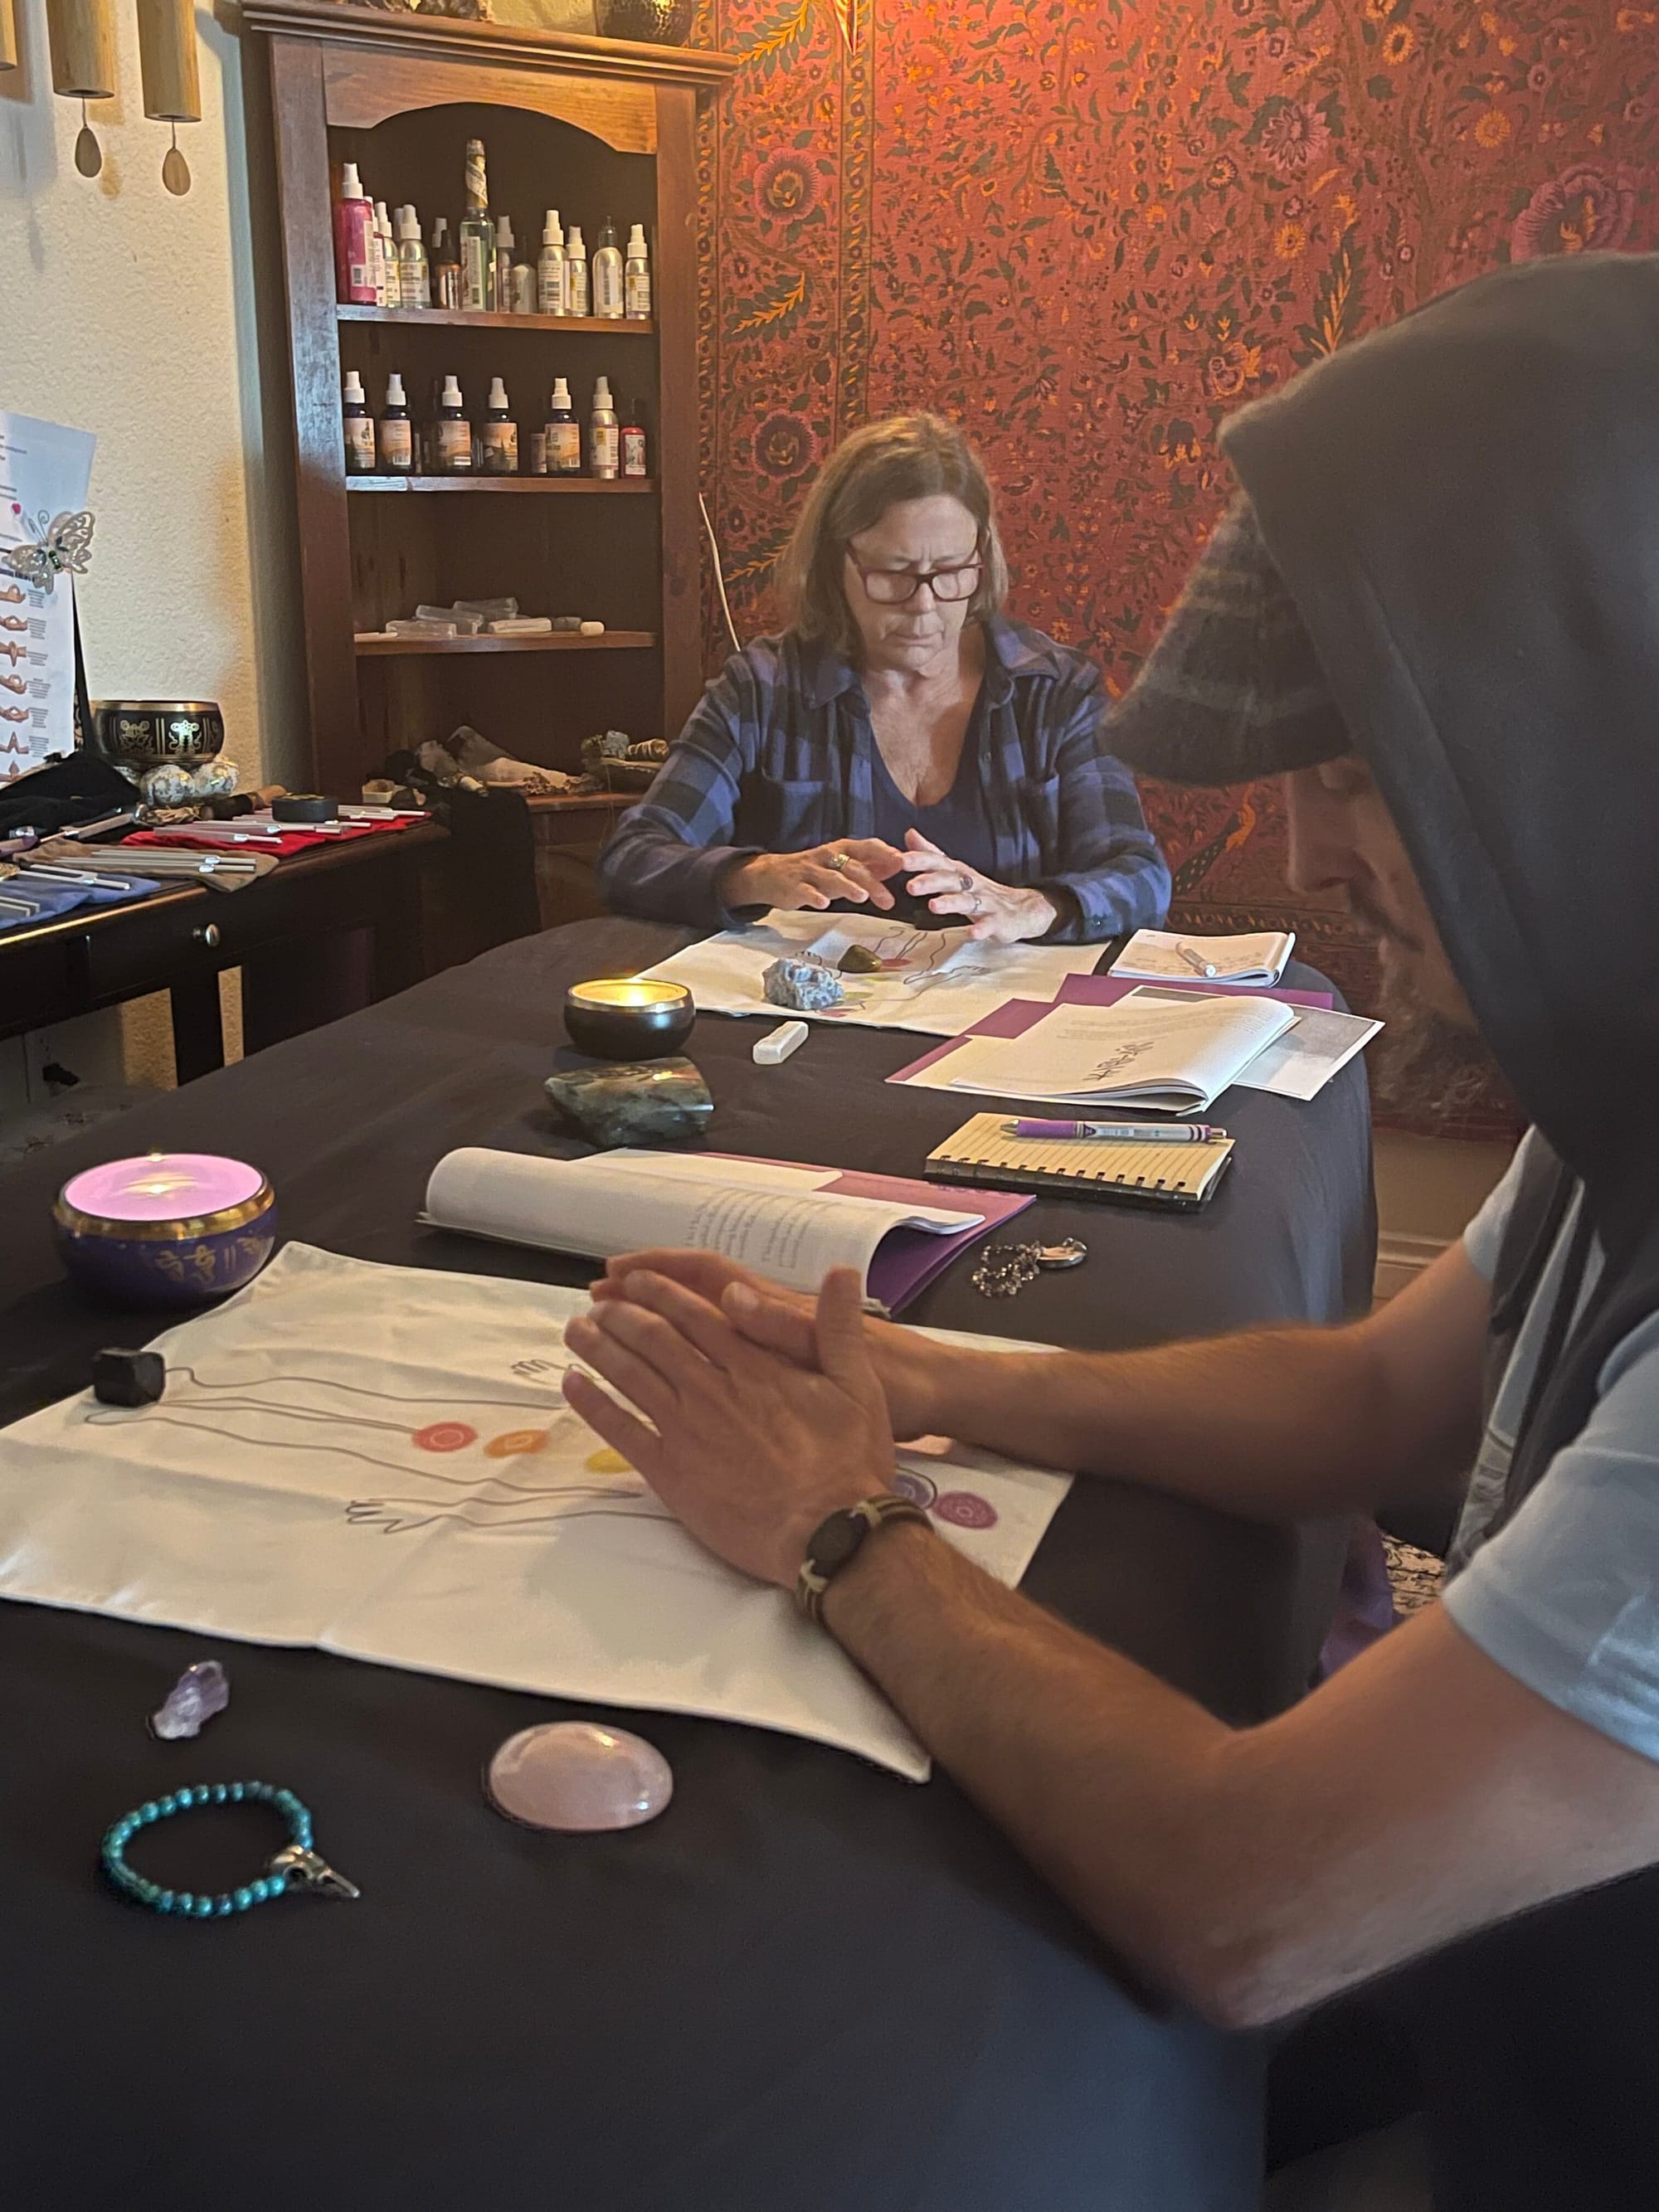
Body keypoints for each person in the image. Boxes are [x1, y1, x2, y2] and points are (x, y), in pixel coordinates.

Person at [562, 252, 1659, 2208]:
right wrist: (927, 1372)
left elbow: (1249, 1897)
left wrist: (839, 1522)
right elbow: (1379, 1404)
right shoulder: (1617, 1092)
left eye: (1357, 773)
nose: (1304, 856)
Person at [597, 413, 1171, 944]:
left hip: (1006, 1009)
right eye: (894, 573)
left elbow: (1141, 878)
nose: (924, 606)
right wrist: (753, 875)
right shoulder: (762, 690)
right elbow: (632, 858)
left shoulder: (1054, 691)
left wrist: (1037, 906)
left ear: (981, 558)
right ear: (835, 564)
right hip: (809, 1010)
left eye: (951, 572)